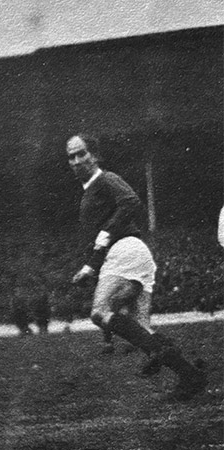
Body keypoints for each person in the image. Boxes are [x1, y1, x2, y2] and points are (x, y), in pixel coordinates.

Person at [65, 133, 205, 399]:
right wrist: (90, 266)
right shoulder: (89, 194)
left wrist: (105, 236)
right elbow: (99, 241)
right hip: (131, 254)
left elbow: (130, 201)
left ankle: (156, 351)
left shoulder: (105, 179)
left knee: (99, 312)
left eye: (81, 153)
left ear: (95, 155)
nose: (76, 161)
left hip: (125, 250)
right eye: (71, 156)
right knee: (141, 327)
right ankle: (190, 375)